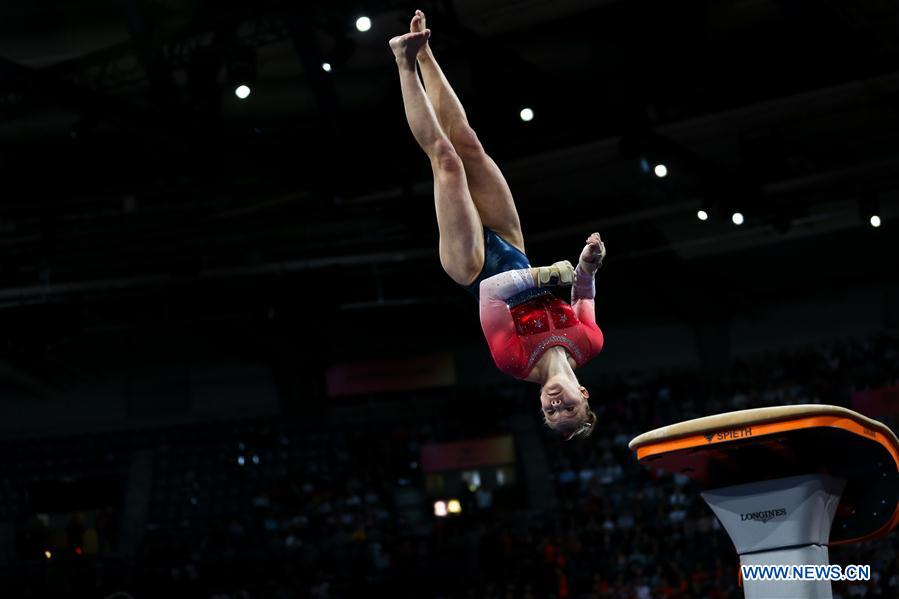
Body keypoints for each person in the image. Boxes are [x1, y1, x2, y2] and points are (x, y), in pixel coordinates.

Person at [389, 11, 606, 439]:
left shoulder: (513, 361)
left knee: (447, 162)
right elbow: (582, 292)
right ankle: (425, 51)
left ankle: (402, 61)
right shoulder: (589, 344)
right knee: (468, 143)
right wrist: (589, 264)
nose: (557, 404)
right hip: (513, 247)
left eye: (552, 413)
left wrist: (548, 274)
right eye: (569, 409)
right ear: (583, 394)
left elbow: (492, 290)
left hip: (471, 266)